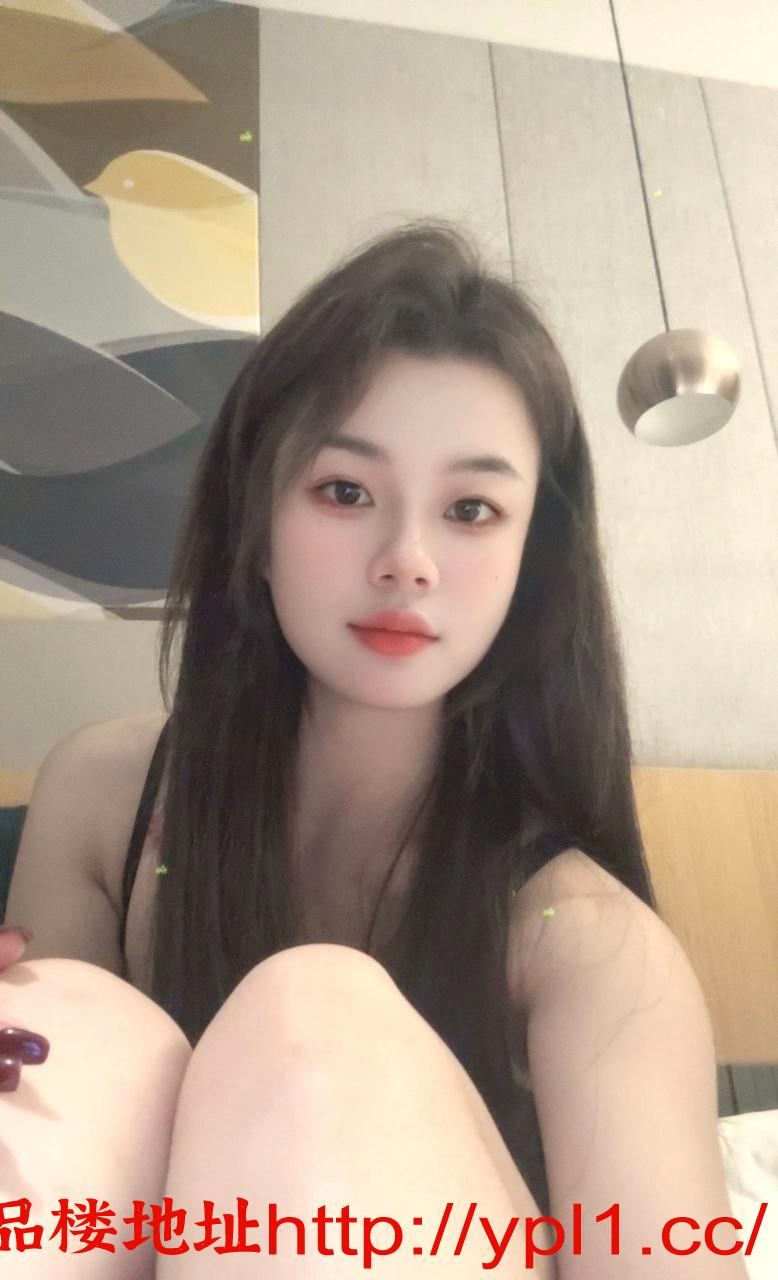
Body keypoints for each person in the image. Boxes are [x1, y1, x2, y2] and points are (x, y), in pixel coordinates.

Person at [2, 220, 745, 1280]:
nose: (407, 560)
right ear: (257, 522)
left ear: (531, 563)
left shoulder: (587, 945)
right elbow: (74, 1162)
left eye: (472, 509)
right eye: (345, 491)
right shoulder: (103, 795)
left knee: (315, 1015)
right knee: (62, 1036)